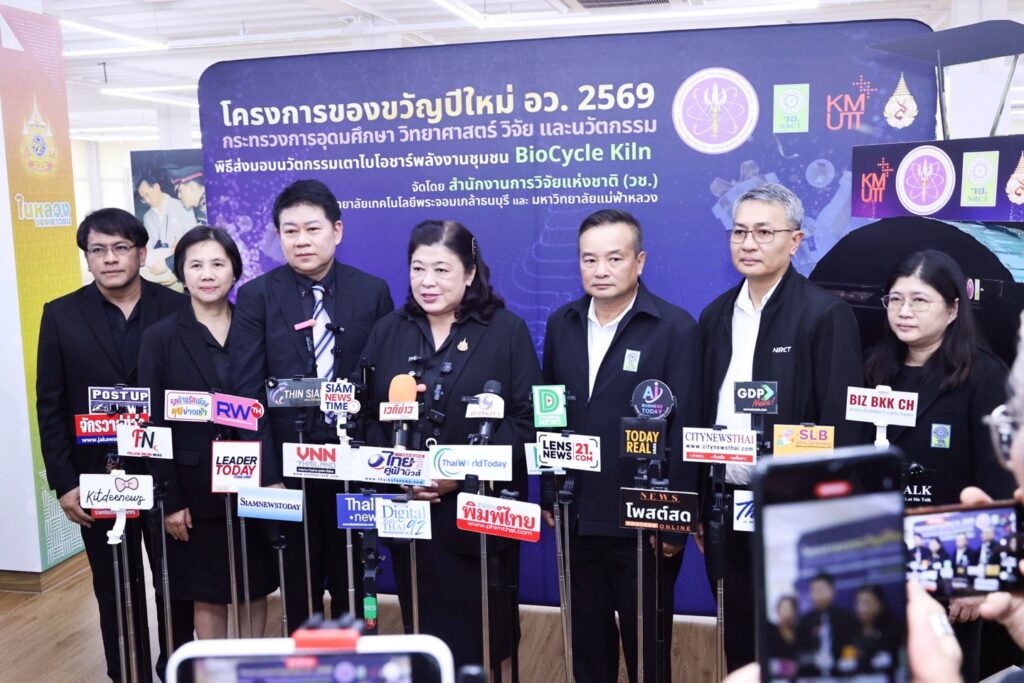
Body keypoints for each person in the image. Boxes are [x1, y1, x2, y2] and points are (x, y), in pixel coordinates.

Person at [357, 219, 540, 673]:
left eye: (441, 269)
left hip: (478, 515)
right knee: (424, 636)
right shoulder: (388, 331)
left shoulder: (505, 331)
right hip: (410, 513)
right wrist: (399, 471)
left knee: (485, 641)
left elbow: (527, 423)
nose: (428, 281)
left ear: (470, 273)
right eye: (418, 269)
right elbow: (366, 417)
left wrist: (457, 473)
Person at [697, 183, 865, 672]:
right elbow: (700, 411)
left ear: (795, 241)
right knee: (739, 639)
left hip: (795, 509)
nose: (748, 243)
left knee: (795, 645)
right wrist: (700, 502)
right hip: (726, 505)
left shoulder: (824, 314)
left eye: (763, 232)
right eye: (739, 232)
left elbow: (842, 423)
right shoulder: (715, 315)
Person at [542, 208, 702, 682]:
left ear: (639, 261)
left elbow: (687, 426)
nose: (600, 270)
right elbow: (549, 411)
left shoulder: (675, 327)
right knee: (587, 648)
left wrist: (675, 521)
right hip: (576, 512)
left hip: (644, 520)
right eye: (589, 259)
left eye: (614, 258)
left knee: (648, 650)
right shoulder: (562, 323)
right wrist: (550, 490)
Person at [36, 208, 192, 681]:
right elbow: (50, 404)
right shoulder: (60, 314)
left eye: (120, 248)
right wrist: (64, 483)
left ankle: (175, 669)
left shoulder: (178, 308)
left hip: (168, 478)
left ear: (141, 254)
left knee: (175, 585)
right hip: (98, 478)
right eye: (98, 250)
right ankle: (127, 673)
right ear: (87, 258)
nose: (109, 259)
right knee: (114, 587)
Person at [229, 179, 392, 629]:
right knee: (297, 584)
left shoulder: (372, 291)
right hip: (287, 467)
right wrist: (268, 475)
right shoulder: (257, 296)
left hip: (353, 464)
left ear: (336, 231)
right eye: (290, 231)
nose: (301, 240)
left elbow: (382, 385)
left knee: (354, 581)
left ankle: (353, 661)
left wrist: (376, 463)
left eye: (312, 229)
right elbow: (246, 391)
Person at [865, 249, 1012, 682]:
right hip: (877, 557)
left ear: (952, 310)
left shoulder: (985, 375)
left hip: (948, 561)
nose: (904, 311)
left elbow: (998, 480)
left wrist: (974, 575)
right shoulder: (871, 367)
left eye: (919, 300)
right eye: (895, 299)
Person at [139, 226, 277, 639]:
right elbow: (152, 424)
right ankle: (213, 668)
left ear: (235, 270)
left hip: (255, 479)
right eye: (195, 265)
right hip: (194, 487)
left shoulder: (256, 328)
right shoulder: (160, 338)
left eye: (218, 263)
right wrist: (170, 500)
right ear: (181, 274)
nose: (208, 274)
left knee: (254, 585)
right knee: (208, 591)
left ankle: (248, 665)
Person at [136, 173, 197, 287]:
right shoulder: (147, 217)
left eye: (147, 194)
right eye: (143, 198)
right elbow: (149, 247)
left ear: (157, 187)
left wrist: (171, 265)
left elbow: (194, 241)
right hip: (158, 265)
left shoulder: (182, 206)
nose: (147, 200)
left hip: (180, 263)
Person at [795, 573, 859, 677]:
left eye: (820, 590)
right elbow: (800, 652)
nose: (816, 594)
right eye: (813, 590)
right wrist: (813, 658)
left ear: (832, 590)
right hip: (813, 676)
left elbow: (853, 645)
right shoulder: (805, 621)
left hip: (842, 676)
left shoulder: (846, 618)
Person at [846, 585, 900, 675]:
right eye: (859, 603)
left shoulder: (893, 629)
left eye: (867, 603)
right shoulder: (851, 629)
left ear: (879, 604)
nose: (862, 608)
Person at [765, 595, 799, 676]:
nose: (785, 611)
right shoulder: (769, 629)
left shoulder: (799, 631)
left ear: (794, 611)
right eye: (783, 608)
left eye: (789, 608)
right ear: (778, 610)